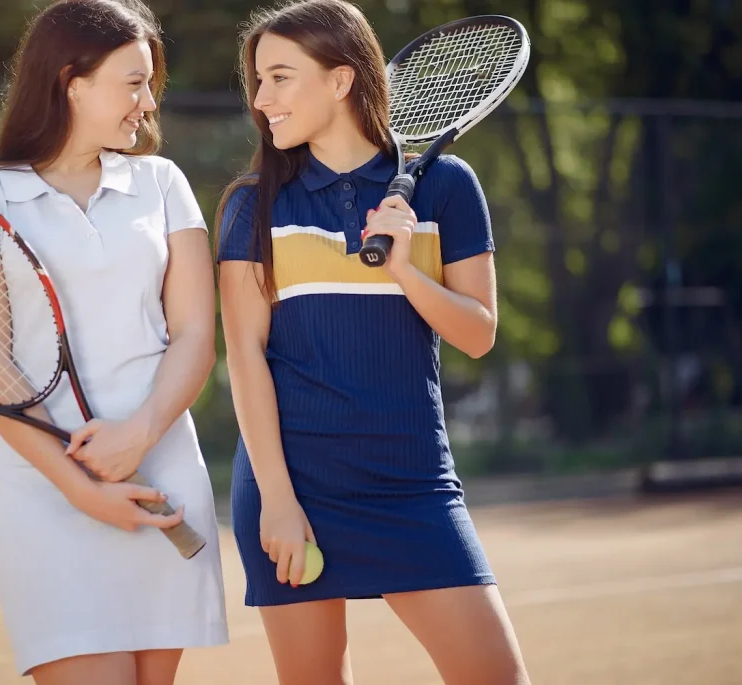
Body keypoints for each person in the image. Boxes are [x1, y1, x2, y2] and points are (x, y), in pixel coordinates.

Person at [214, 1, 531, 683]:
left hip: (412, 483)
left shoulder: (447, 188)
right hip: (293, 485)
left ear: (339, 80)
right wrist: (277, 495)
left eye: (280, 77)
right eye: (258, 81)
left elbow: (478, 332)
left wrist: (402, 268)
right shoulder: (252, 203)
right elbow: (244, 356)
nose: (262, 99)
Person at [0, 1, 228, 683]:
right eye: (132, 83)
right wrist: (78, 486)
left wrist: (140, 431)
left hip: (164, 475)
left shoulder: (162, 183)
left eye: (150, 82)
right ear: (71, 80)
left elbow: (193, 335)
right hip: (42, 494)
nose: (147, 102)